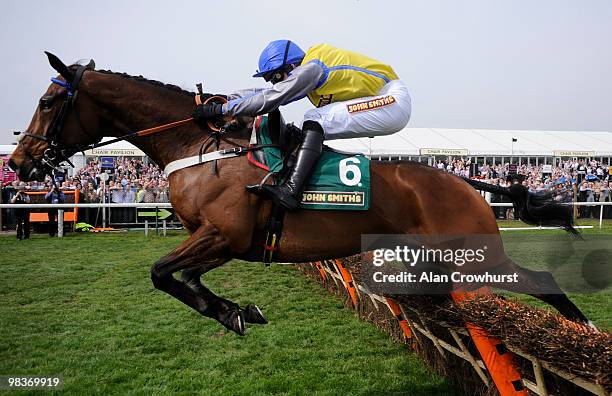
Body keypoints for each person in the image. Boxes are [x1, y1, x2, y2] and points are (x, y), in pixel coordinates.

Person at [192, 40, 412, 210]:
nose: (275, 82)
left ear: (292, 64)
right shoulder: (306, 68)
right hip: (386, 101)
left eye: (276, 76)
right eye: (271, 79)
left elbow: (272, 98)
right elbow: (266, 93)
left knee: (314, 118)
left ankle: (292, 191)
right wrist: (226, 99)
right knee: (307, 128)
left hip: (392, 101)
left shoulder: (311, 69)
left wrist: (222, 110)